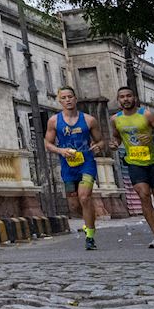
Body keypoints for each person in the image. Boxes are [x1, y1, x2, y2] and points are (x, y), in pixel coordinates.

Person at [111, 85, 154, 248]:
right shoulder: (116, 119)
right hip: (135, 162)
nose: (126, 99)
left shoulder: (147, 115)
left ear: (134, 98)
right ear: (118, 100)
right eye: (122, 97)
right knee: (143, 194)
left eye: (129, 96)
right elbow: (117, 137)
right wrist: (115, 144)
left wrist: (152, 136)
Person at [45, 87, 102, 251]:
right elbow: (47, 143)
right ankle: (88, 222)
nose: (68, 100)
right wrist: (60, 151)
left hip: (86, 163)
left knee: (84, 197)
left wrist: (98, 147)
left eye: (70, 96)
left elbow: (101, 141)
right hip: (68, 166)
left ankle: (90, 237)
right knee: (74, 206)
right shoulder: (54, 121)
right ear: (60, 101)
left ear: (76, 99)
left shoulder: (89, 120)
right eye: (64, 97)